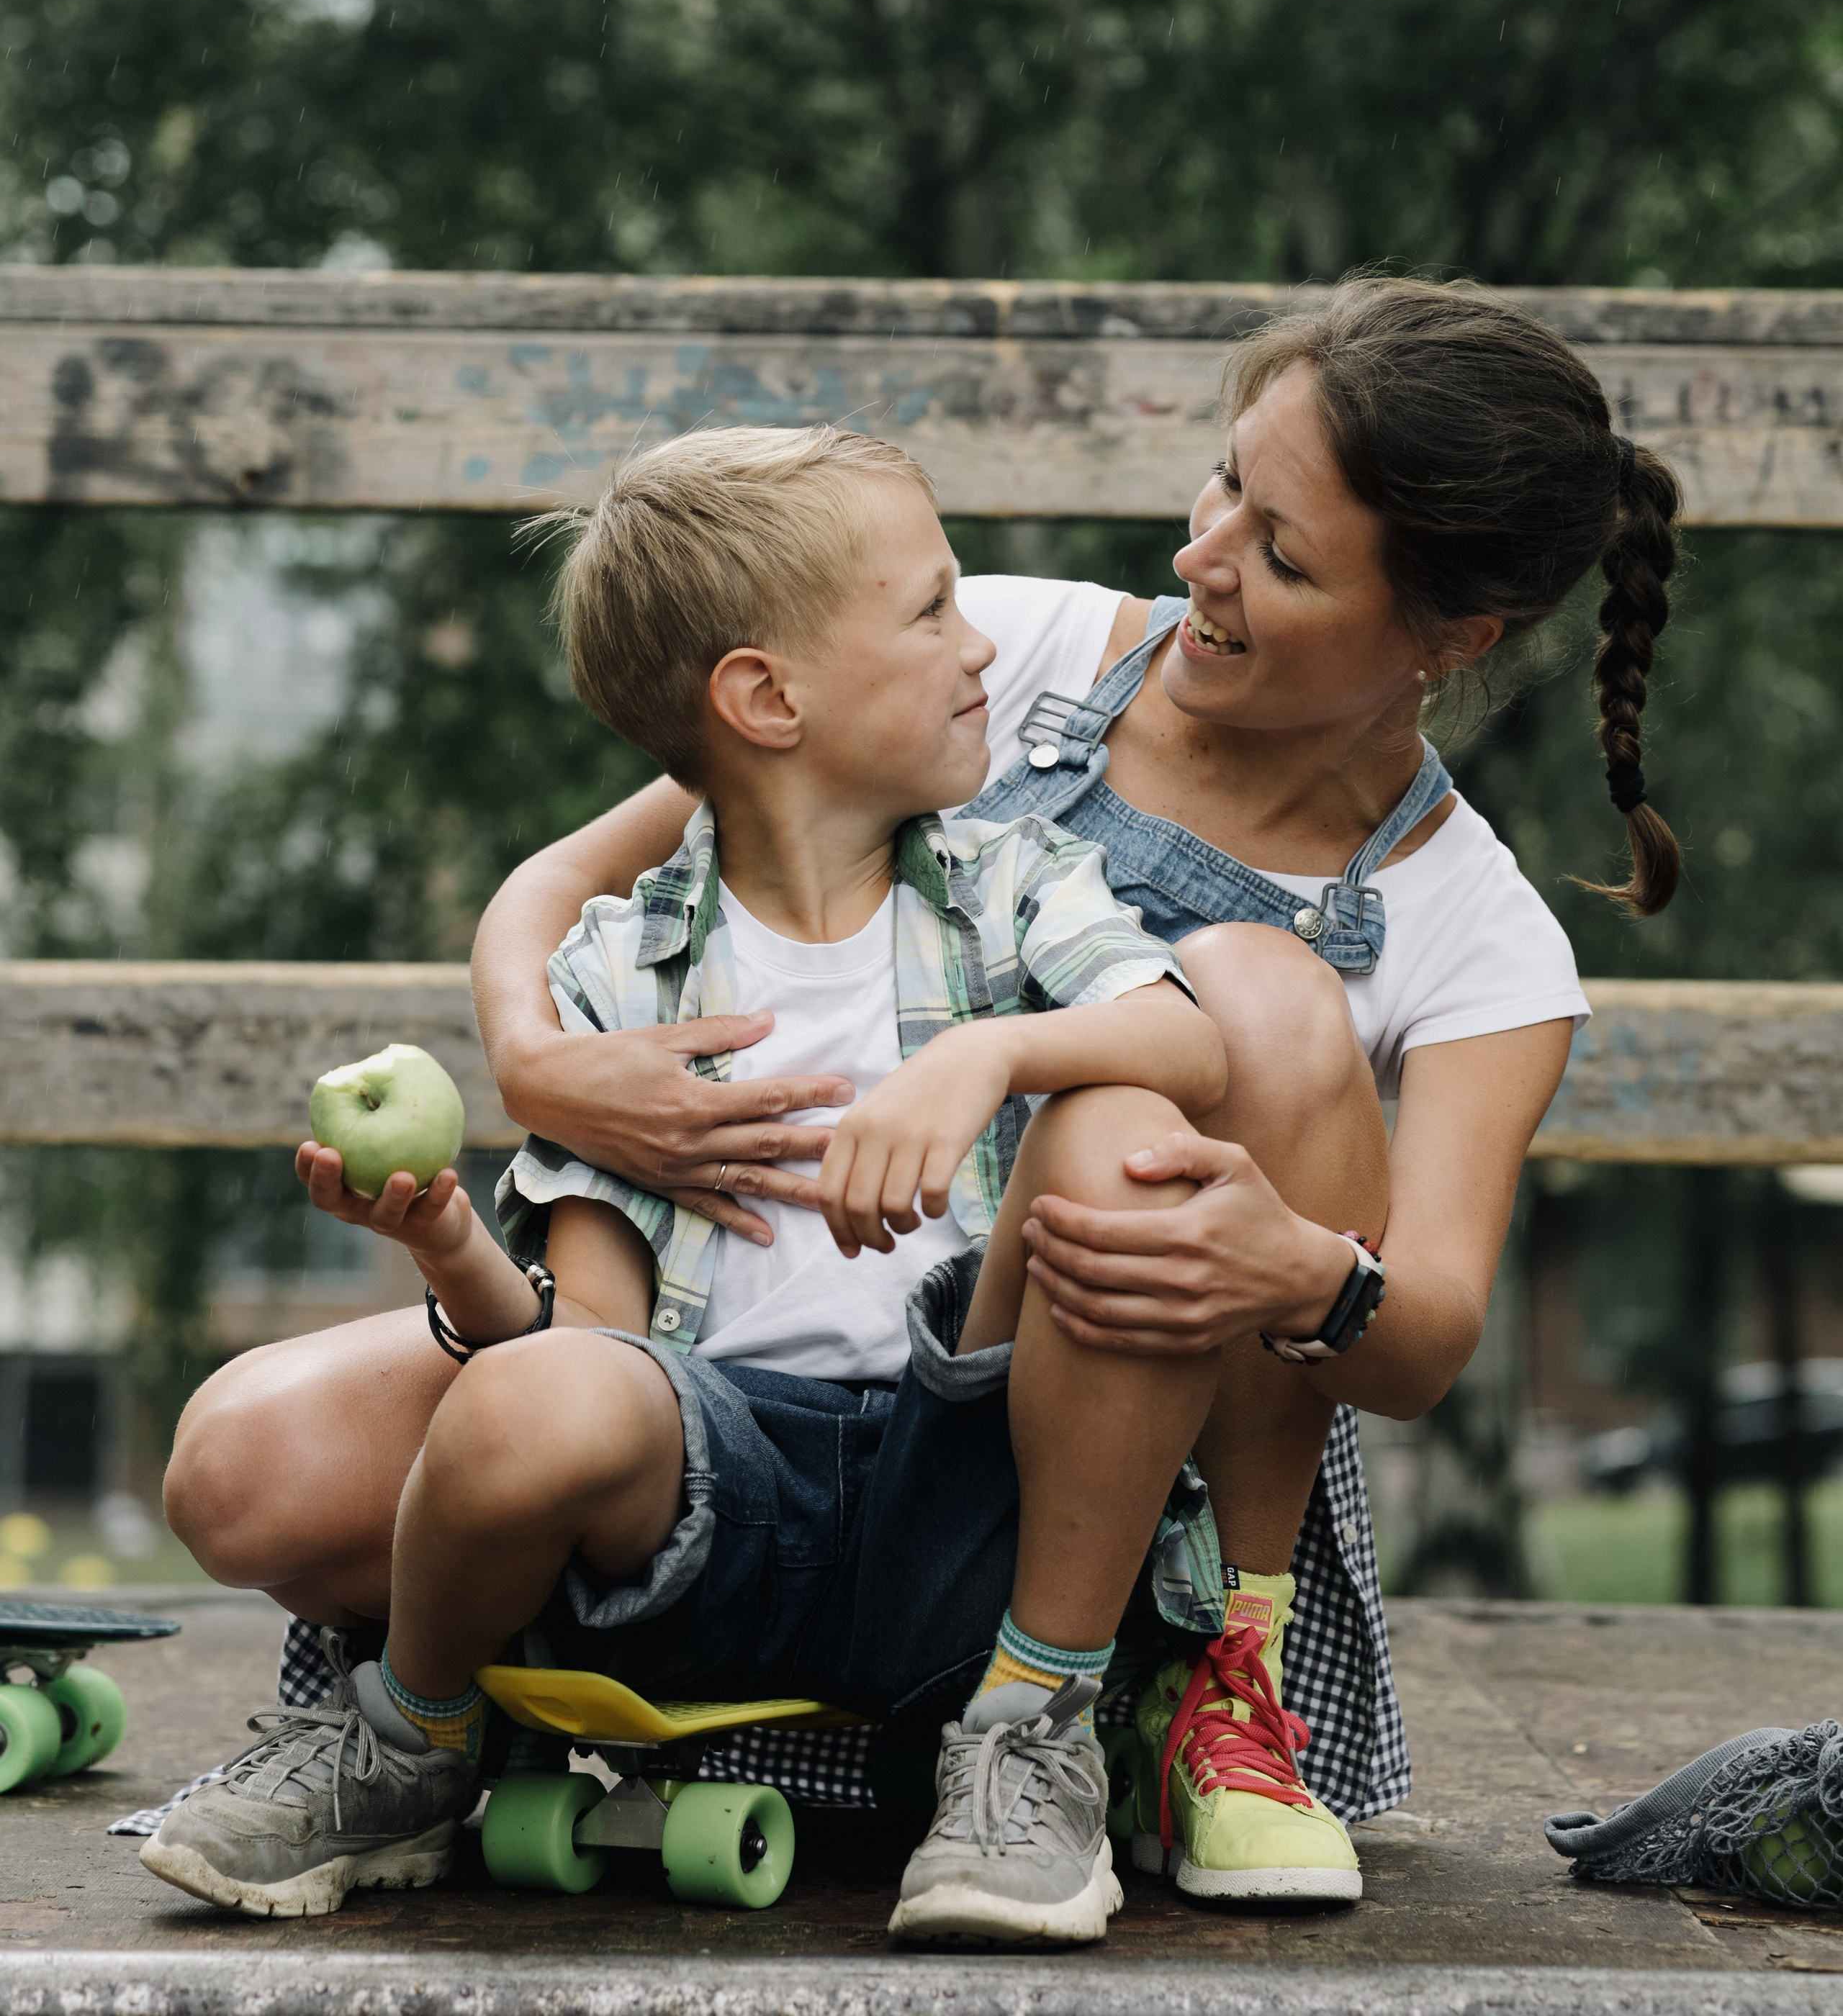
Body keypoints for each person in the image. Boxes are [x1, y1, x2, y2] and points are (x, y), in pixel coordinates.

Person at [165, 274, 1682, 1909]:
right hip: (734, 1352)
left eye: (1283, 553)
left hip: (1076, 1394)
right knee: (249, 1466)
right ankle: (543, 1688)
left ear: (1447, 639)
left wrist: (1289, 1263)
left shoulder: (1476, 932)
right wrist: (543, 1071)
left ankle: (1176, 1689)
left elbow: (1428, 1337)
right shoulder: (998, 653)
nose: (1200, 554)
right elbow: (582, 883)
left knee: (1245, 996)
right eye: (1226, 478)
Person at [147, 422, 1257, 1943]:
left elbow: (1190, 1042)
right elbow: (595, 1358)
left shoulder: (1012, 889)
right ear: (765, 696)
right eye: (931, 610)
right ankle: (410, 1738)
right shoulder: (622, 975)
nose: (978, 643)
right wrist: (461, 1251)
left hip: (978, 1483)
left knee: (1125, 1127)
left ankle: (1030, 1727)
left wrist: (989, 1061)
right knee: (533, 1394)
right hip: (722, 1508)